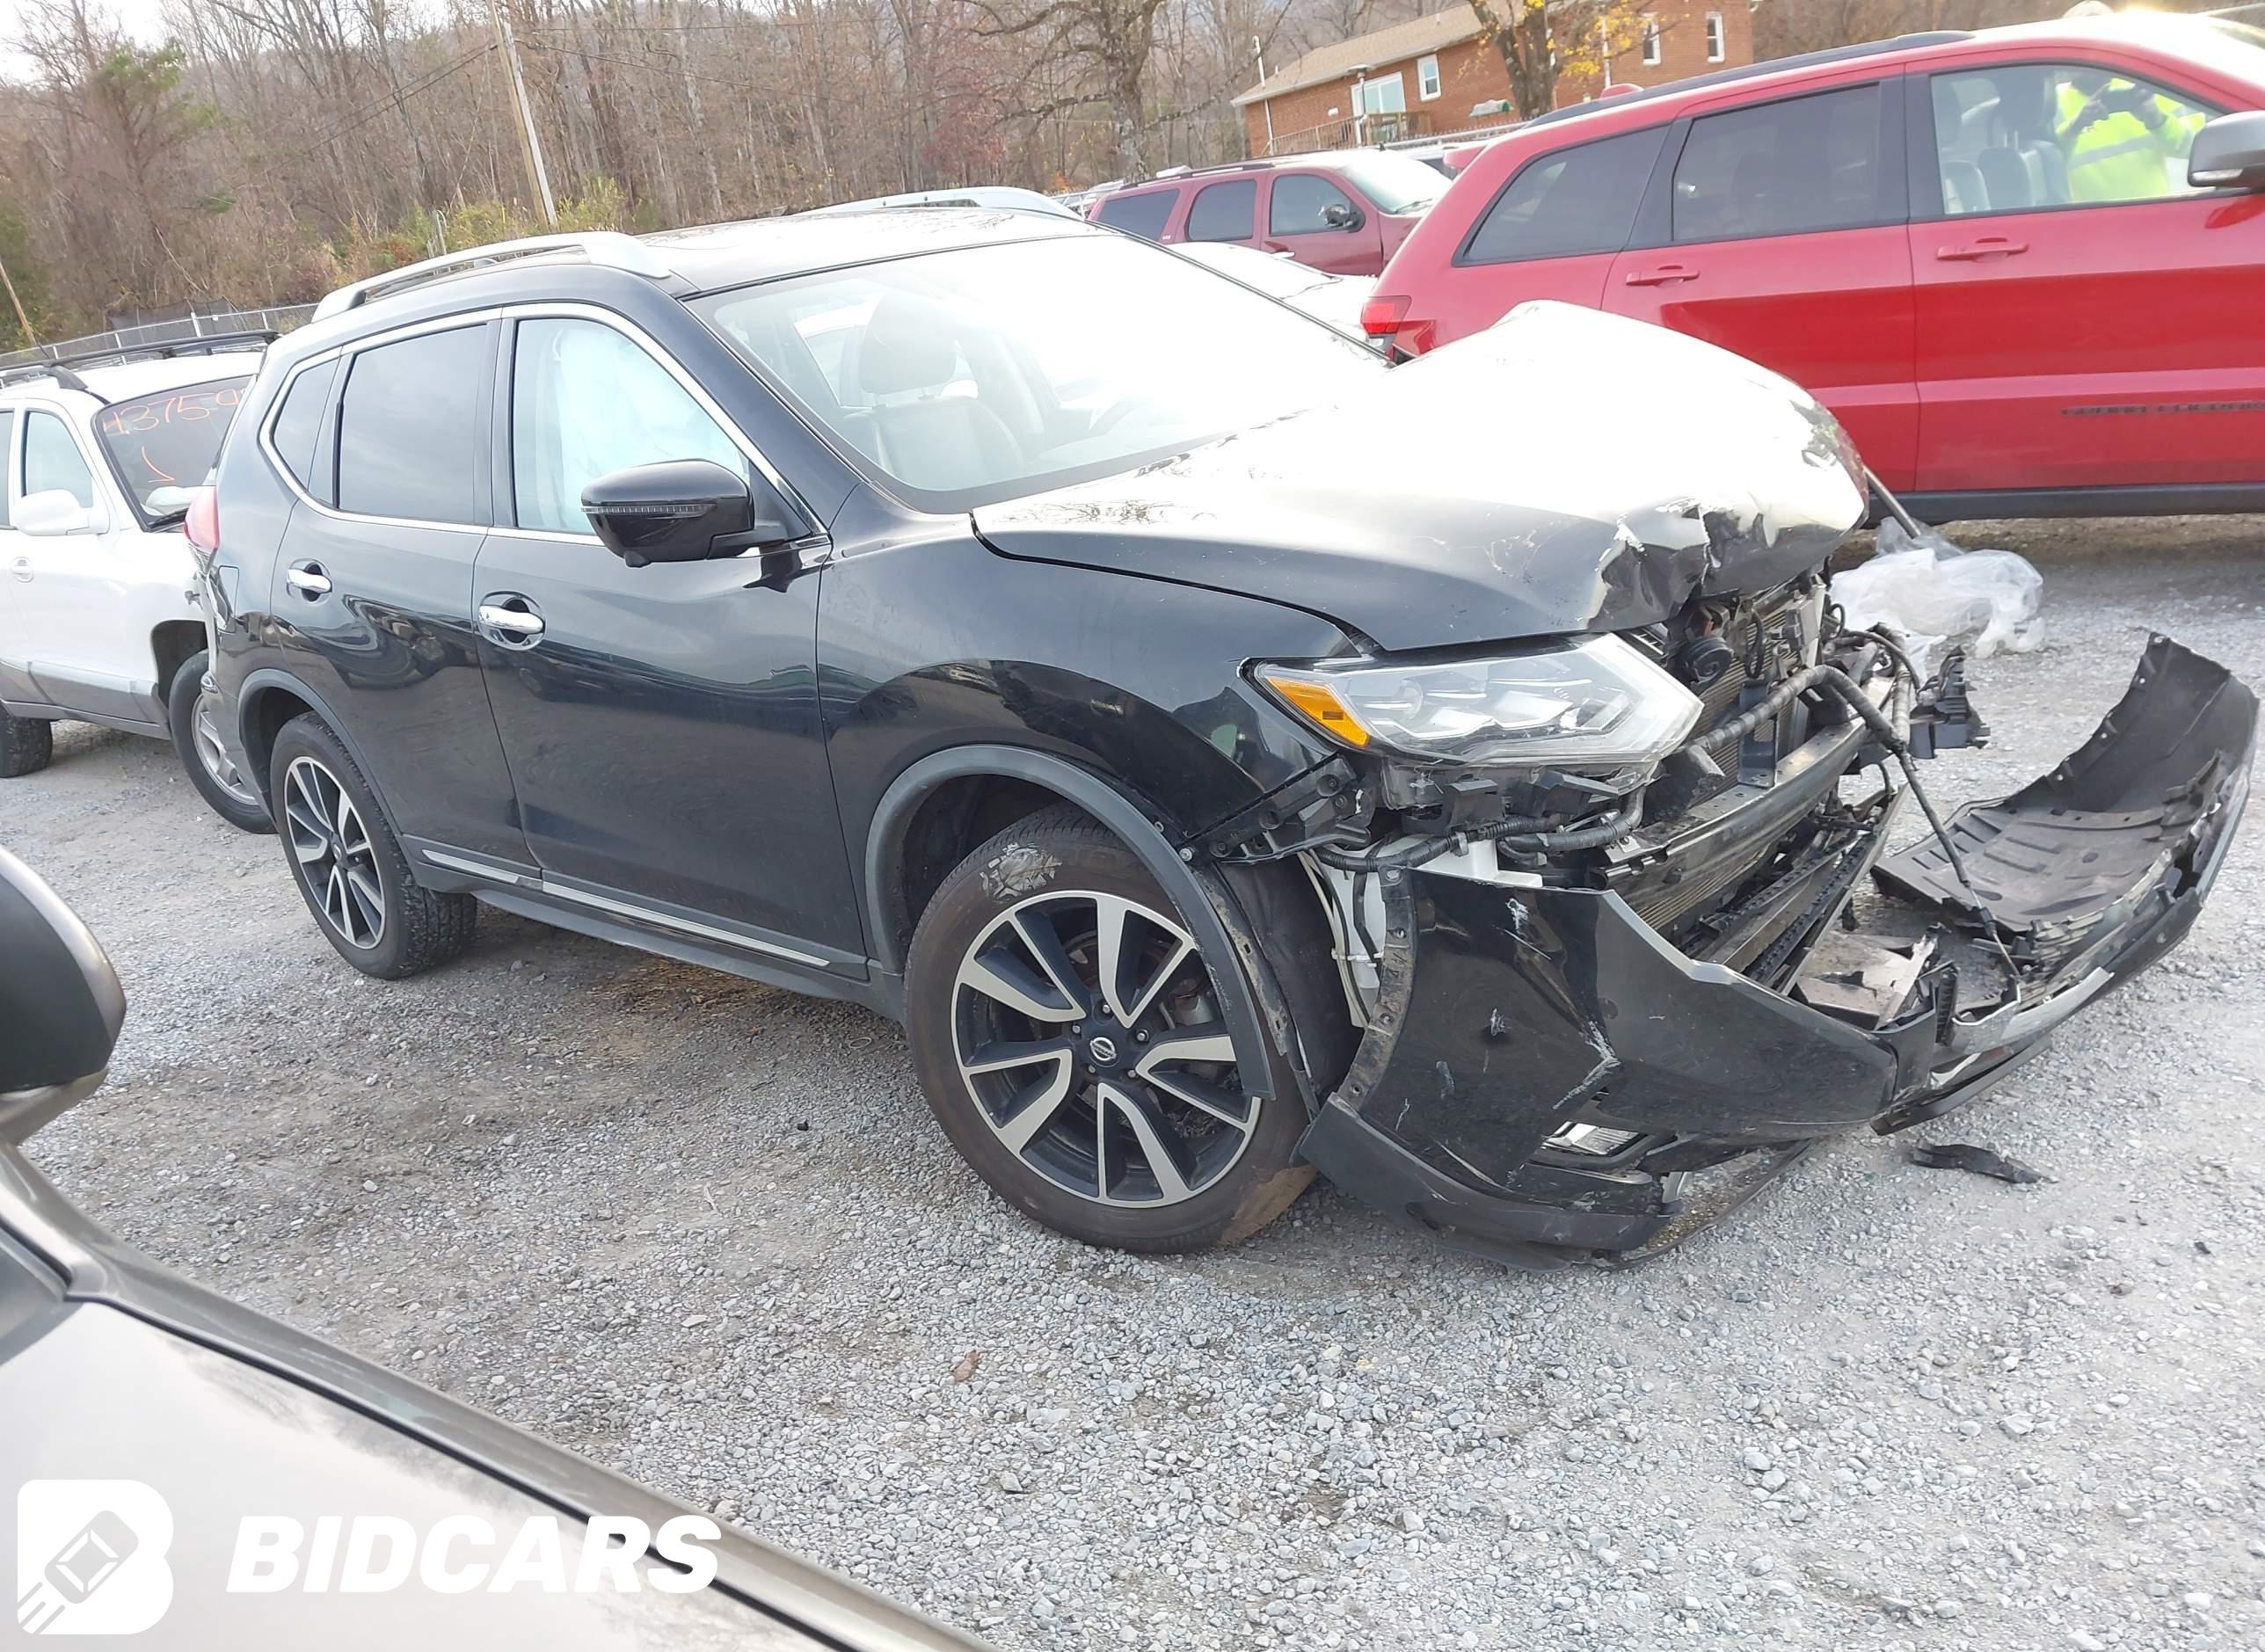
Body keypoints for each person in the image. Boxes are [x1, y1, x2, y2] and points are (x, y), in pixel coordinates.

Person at [2056, 66, 2205, 201]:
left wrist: (2157, 121)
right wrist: (2074, 127)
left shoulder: (2145, 91)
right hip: (2093, 224)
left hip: (2154, 217)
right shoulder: (2053, 105)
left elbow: (2195, 149)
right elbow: (2046, 166)